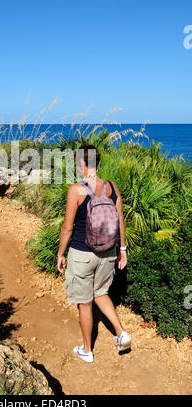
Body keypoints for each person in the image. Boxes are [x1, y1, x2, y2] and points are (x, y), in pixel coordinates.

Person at [57, 144, 131, 363]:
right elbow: (120, 220)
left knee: (85, 302)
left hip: (82, 254)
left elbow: (67, 228)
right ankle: (121, 333)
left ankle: (87, 350)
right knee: (100, 293)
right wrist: (122, 250)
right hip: (107, 253)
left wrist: (61, 254)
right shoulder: (111, 187)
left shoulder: (76, 190)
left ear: (82, 163)